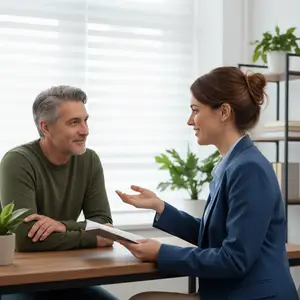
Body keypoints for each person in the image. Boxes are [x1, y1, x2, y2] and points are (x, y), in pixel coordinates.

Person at [115, 67, 299, 300]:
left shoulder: (249, 169)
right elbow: (214, 235)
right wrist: (160, 207)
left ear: (224, 112)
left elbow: (234, 259)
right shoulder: (233, 163)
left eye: (195, 110)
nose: (190, 120)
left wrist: (161, 252)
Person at [0, 85, 118, 300]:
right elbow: (24, 239)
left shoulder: (89, 160)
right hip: (19, 281)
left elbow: (104, 223)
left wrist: (63, 226)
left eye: (85, 120)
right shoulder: (18, 161)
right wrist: (92, 238)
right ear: (45, 128)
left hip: (68, 278)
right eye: (74, 122)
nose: (85, 130)